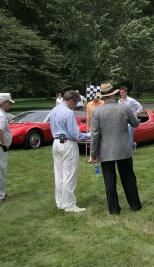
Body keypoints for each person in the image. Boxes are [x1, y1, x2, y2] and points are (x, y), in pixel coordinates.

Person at [90, 83, 142, 215]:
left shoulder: (97, 111)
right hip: (123, 149)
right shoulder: (124, 108)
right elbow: (135, 124)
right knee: (129, 178)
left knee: (109, 180)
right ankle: (135, 205)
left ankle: (113, 210)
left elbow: (95, 134)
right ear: (114, 94)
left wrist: (93, 154)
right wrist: (136, 118)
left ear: (103, 96)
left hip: (105, 150)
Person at [50, 90, 90, 212]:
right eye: (75, 103)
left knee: (59, 174)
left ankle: (60, 203)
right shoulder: (68, 113)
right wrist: (89, 135)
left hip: (56, 143)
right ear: (71, 101)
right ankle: (69, 205)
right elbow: (75, 134)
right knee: (69, 174)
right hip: (68, 144)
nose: (75, 106)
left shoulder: (54, 110)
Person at [0, 93, 14, 202]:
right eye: (9, 102)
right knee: (2, 170)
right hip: (1, 147)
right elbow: (0, 130)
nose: (10, 105)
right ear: (3, 102)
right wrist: (3, 143)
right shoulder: (1, 115)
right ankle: (1, 195)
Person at [86, 92, 104, 162]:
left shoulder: (103, 103)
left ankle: (98, 156)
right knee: (93, 141)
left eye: (98, 97)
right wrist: (88, 127)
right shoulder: (89, 104)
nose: (96, 98)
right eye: (95, 97)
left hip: (101, 124)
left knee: (100, 140)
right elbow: (88, 116)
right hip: (93, 125)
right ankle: (92, 157)